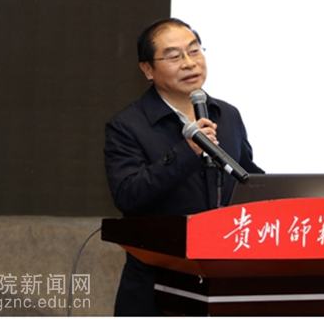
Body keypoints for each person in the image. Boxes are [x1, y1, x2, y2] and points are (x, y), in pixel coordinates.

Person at [104, 18, 264, 316]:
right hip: (158, 286)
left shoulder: (227, 114)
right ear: (147, 70)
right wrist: (188, 150)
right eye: (174, 56)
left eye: (194, 51)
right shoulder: (127, 126)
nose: (190, 63)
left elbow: (246, 176)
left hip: (225, 280)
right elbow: (128, 194)